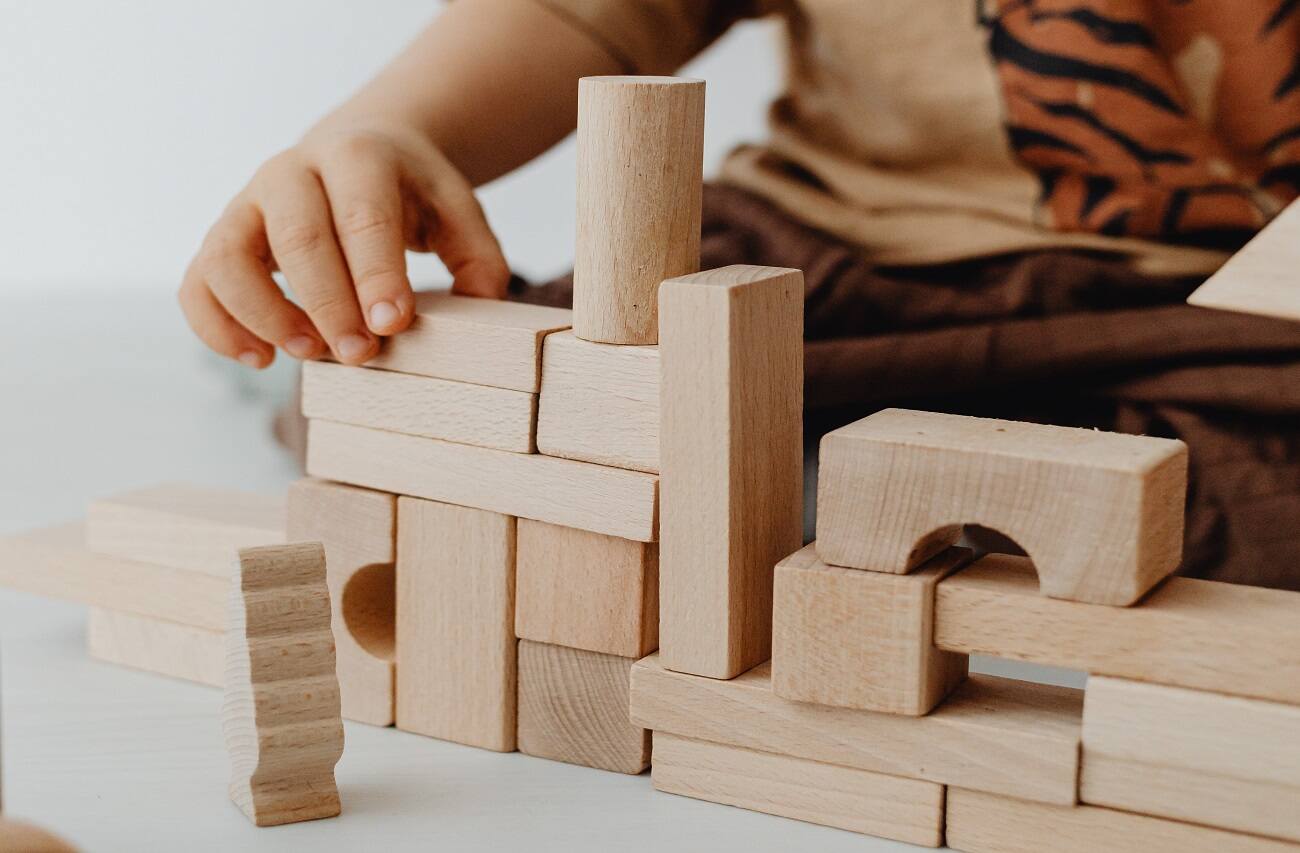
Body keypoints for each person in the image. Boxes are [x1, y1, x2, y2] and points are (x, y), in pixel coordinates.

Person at [181, 0, 1300, 590]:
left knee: (1235, 525)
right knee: (434, 393)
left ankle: (822, 503)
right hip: (835, 248)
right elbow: (587, 12)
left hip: (1235, 317)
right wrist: (389, 128)